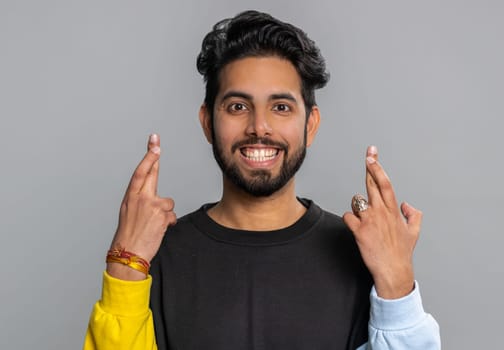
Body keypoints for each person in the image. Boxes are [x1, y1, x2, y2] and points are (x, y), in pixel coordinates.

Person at [84, 10, 440, 350]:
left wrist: (396, 283)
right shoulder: (151, 258)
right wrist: (123, 266)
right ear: (208, 122)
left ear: (310, 124)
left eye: (281, 107)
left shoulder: (365, 254)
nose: (259, 126)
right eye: (238, 106)